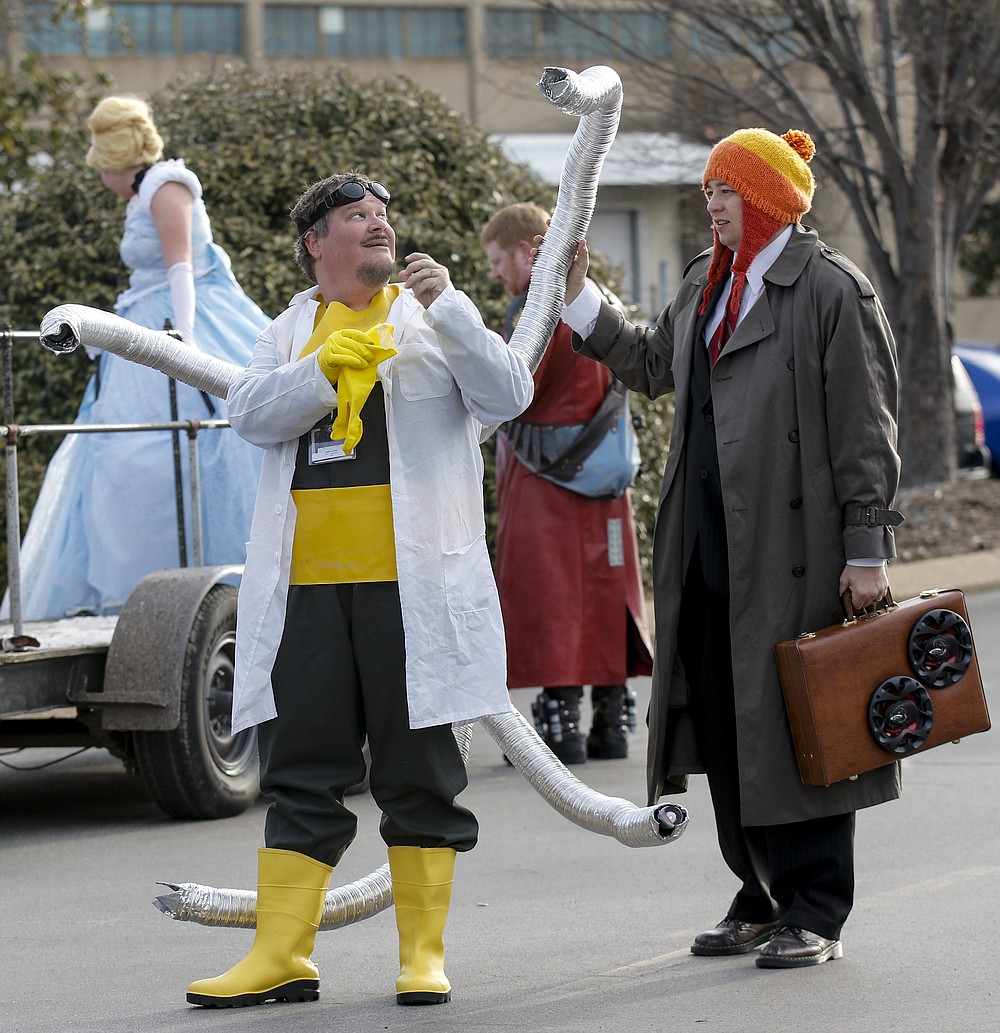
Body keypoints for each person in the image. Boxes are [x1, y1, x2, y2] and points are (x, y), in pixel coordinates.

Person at [185, 173, 533, 1009]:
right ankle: (283, 955)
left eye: (383, 215)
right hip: (308, 592)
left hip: (410, 591)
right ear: (316, 243)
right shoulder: (288, 328)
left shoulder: (431, 318)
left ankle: (422, 955)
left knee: (418, 769)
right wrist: (316, 372)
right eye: (356, 218)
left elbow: (509, 393)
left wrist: (452, 306)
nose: (378, 225)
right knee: (301, 768)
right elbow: (249, 413)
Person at [557, 129, 903, 968]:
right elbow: (647, 363)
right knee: (726, 724)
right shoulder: (705, 283)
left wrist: (867, 550)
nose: (711, 202)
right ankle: (758, 892)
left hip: (796, 551)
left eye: (727, 189)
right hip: (707, 547)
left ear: (771, 197)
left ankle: (815, 908)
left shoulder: (831, 288)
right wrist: (577, 299)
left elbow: (867, 431)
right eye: (709, 188)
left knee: (803, 726)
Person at [4, 95, 267, 620]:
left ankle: (189, 592)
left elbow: (181, 270)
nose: (98, 171)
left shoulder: (166, 186)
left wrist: (185, 343)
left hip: (179, 322)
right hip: (145, 325)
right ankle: (135, 594)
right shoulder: (144, 191)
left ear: (115, 155)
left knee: (168, 451)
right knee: (118, 455)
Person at [480, 202, 653, 764]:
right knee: (607, 592)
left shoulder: (530, 310)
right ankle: (611, 714)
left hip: (540, 478)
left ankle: (560, 721)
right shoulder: (593, 299)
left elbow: (511, 387)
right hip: (605, 472)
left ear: (526, 250)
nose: (495, 272)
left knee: (545, 597)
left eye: (497, 258)